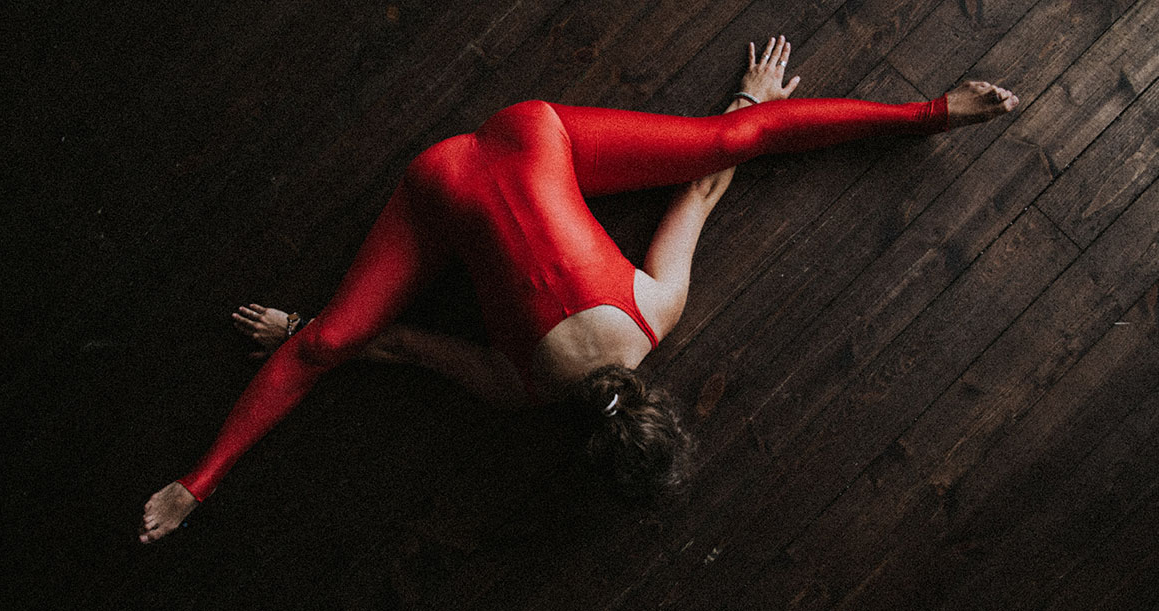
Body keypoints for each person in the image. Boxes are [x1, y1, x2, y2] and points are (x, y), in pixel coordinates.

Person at [139, 36, 1018, 543]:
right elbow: (395, 343)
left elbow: (710, 181)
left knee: (727, 143)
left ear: (661, 406)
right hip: (440, 184)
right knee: (328, 344)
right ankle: (199, 481)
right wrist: (306, 332)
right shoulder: (517, 389)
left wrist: (764, 109)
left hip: (536, 134)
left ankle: (935, 114)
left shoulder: (655, 310)